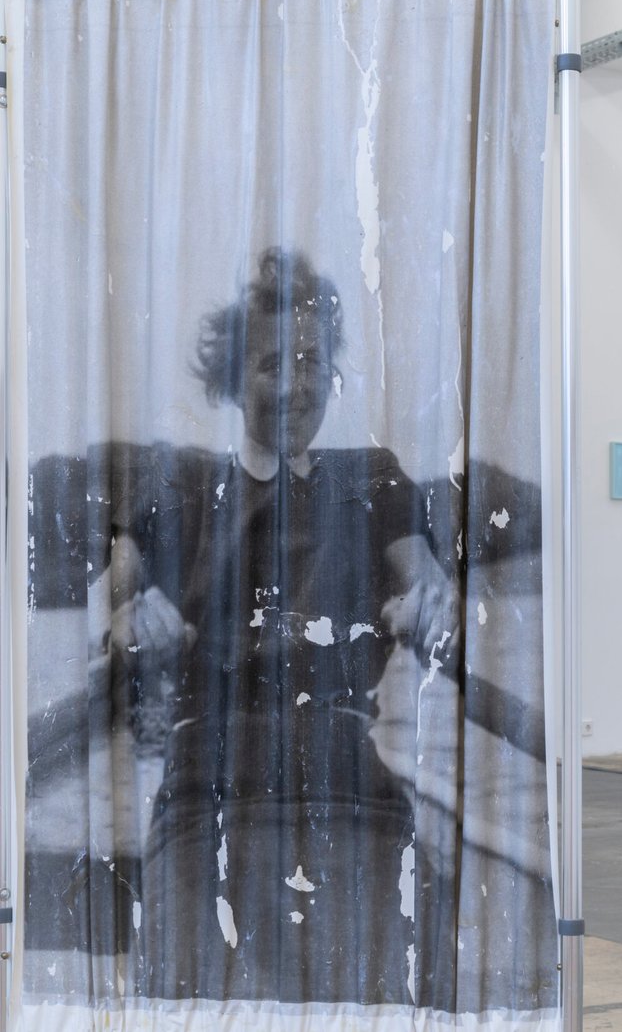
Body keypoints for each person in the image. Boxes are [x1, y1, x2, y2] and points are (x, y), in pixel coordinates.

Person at [105, 248, 461, 1004]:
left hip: (348, 782)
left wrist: (432, 605)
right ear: (236, 381)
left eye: (311, 360)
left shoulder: (373, 478)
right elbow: (117, 602)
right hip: (208, 787)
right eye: (273, 364)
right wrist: (135, 617)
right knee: (187, 991)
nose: (297, 383)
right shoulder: (184, 483)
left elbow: (425, 579)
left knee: (406, 968)